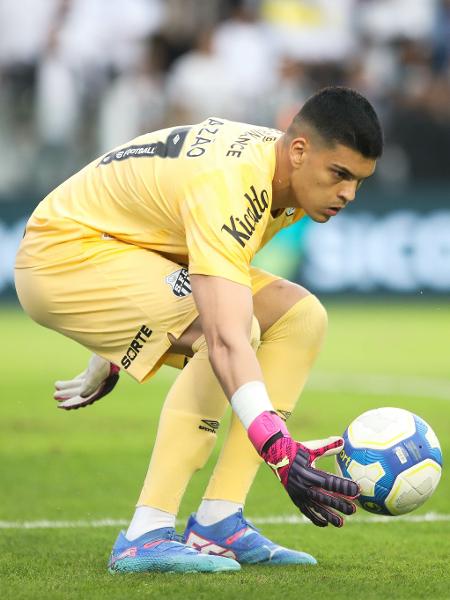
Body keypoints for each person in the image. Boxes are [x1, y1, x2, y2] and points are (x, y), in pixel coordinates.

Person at [15, 87, 383, 574]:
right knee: (230, 332)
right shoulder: (233, 181)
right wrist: (279, 447)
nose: (348, 194)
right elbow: (227, 335)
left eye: (358, 181)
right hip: (62, 256)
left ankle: (218, 523)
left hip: (119, 248)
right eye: (340, 174)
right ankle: (146, 534)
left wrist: (111, 344)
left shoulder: (282, 176)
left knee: (300, 317)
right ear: (299, 151)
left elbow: (169, 231)